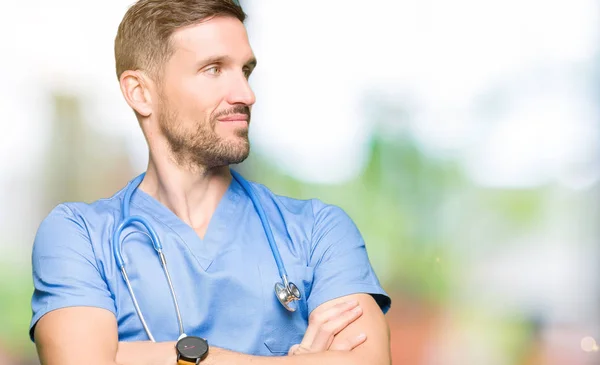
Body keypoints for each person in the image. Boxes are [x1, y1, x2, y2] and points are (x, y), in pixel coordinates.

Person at [29, 1, 392, 364]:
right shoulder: (79, 236)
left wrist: (139, 356)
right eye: (214, 69)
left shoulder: (318, 231)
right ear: (140, 92)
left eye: (245, 70)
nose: (245, 95)